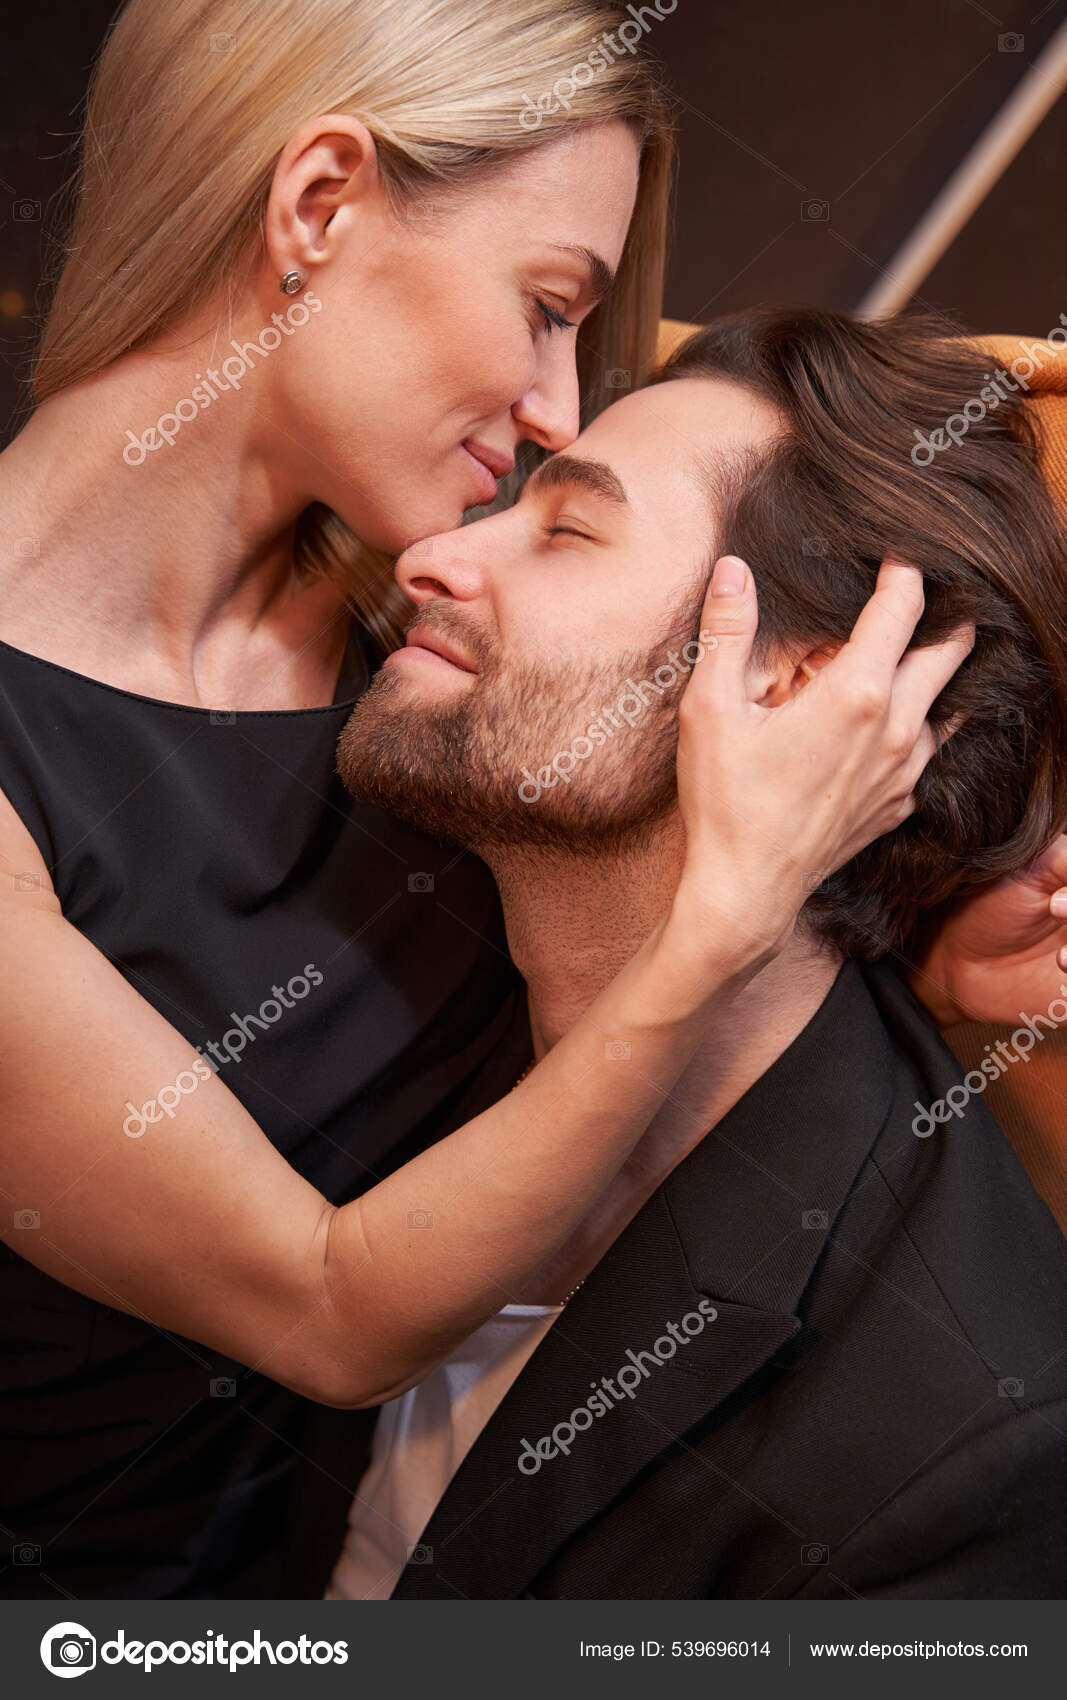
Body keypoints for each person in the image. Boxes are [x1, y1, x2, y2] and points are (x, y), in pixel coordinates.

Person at [0, 0, 998, 1604]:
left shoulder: (425, 634)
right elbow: (330, 1308)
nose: (554, 408)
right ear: (317, 205)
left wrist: (926, 915)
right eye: (548, 308)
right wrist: (726, 930)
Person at [330, 307, 1067, 1600]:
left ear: (820, 689)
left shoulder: (957, 1442)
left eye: (566, 529)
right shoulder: (359, 1006)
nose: (436, 556)